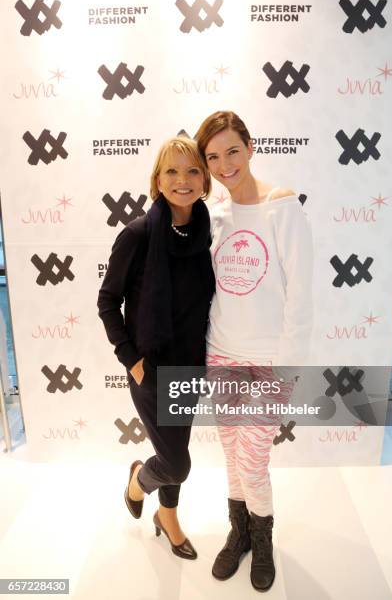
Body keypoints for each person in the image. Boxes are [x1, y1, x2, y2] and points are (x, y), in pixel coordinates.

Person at [195, 111, 313, 590]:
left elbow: (301, 294)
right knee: (230, 452)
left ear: (250, 146)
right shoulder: (215, 216)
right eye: (214, 157)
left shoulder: (280, 206)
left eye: (232, 151)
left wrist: (286, 367)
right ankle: (239, 532)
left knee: (252, 458)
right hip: (221, 353)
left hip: (267, 362)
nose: (225, 165)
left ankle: (263, 539)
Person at [97, 136, 214, 560]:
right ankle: (135, 481)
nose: (182, 180)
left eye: (192, 171)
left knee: (175, 450)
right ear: (157, 180)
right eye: (172, 171)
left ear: (205, 180)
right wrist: (132, 360)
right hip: (151, 366)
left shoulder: (206, 233)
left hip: (190, 366)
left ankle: (168, 518)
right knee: (176, 463)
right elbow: (107, 302)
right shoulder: (139, 234)